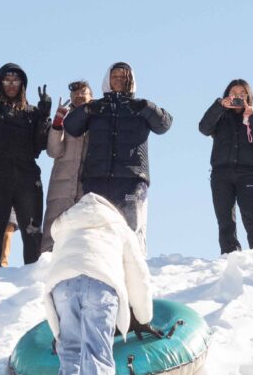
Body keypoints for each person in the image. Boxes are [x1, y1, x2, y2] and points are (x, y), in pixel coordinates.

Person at [44, 192, 153, 375]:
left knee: (70, 342)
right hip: (100, 283)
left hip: (63, 283)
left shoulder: (65, 223)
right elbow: (137, 273)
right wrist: (143, 315)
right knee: (97, 350)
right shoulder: (118, 226)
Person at [63, 62, 173, 253]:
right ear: (108, 80)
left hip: (131, 179)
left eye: (123, 76)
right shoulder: (97, 108)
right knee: (95, 229)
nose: (119, 80)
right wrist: (87, 109)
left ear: (131, 80)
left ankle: (134, 270)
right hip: (96, 178)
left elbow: (164, 125)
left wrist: (147, 107)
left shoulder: (140, 107)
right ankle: (99, 270)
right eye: (115, 76)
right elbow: (71, 127)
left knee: (131, 229)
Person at [0, 63, 51, 268]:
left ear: (22, 84)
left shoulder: (33, 112)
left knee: (33, 232)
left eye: (16, 80)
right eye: (6, 80)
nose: (11, 84)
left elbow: (40, 146)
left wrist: (44, 118)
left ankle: (34, 279)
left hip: (27, 178)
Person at [198, 79, 253, 254]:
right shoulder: (220, 116)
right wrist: (219, 106)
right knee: (224, 218)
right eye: (233, 94)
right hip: (221, 173)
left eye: (241, 94)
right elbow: (204, 128)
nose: (237, 97)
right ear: (227, 96)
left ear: (248, 96)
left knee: (250, 213)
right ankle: (230, 254)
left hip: (247, 172)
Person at [41, 80, 93, 252]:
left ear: (91, 96)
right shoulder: (64, 116)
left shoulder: (98, 119)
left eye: (82, 93)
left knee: (84, 233)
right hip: (61, 185)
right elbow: (53, 151)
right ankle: (44, 268)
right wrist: (57, 125)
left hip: (87, 186)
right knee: (53, 231)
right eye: (75, 94)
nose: (78, 96)